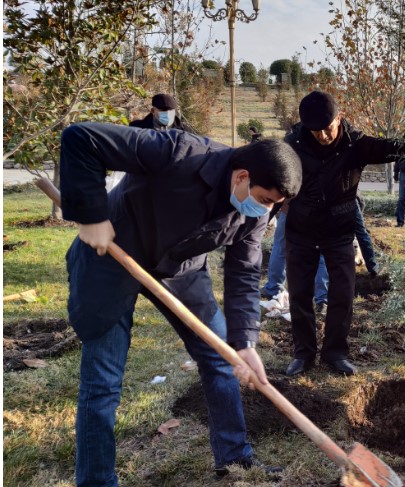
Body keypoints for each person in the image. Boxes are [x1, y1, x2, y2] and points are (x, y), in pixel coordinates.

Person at [59, 122, 303, 485]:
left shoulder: (255, 214)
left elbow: (244, 274)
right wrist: (92, 215)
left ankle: (234, 459)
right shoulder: (178, 151)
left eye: (274, 206)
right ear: (242, 176)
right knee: (104, 380)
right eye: (265, 200)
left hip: (179, 269)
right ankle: (96, 480)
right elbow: (81, 138)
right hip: (110, 255)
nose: (265, 210)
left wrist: (245, 342)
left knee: (222, 359)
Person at [283, 91, 405, 377]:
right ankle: (303, 354)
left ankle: (335, 352)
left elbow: (395, 148)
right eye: (314, 130)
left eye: (327, 127)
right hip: (301, 232)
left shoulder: (356, 145)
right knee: (300, 294)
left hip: (339, 232)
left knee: (342, 294)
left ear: (339, 118)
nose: (321, 135)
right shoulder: (292, 144)